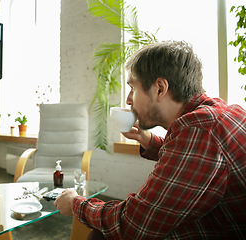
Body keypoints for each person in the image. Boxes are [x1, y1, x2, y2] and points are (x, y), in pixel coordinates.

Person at [54, 40, 246, 239]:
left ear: (160, 88)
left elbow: (135, 225)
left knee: (100, 236)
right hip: (212, 218)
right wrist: (146, 140)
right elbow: (189, 160)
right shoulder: (214, 113)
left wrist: (77, 204)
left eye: (133, 88)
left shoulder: (199, 130)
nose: (129, 99)